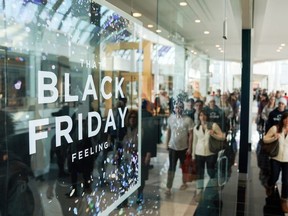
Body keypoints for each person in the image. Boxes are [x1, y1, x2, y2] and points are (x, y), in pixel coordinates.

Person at [192, 110, 225, 202]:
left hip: (210, 153)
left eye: (204, 115)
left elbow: (222, 137)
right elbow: (194, 142)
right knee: (200, 174)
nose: (203, 117)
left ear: (207, 116)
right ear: (199, 117)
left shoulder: (213, 125)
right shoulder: (196, 127)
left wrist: (213, 134)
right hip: (199, 153)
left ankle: (213, 191)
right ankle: (199, 192)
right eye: (201, 115)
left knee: (211, 172)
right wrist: (193, 155)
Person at [165, 100, 194, 196]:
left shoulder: (188, 120)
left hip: (184, 148)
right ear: (174, 108)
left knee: (184, 167)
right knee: (171, 167)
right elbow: (168, 131)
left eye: (180, 107)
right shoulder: (171, 119)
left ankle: (184, 183)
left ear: (183, 108)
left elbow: (191, 135)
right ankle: (168, 187)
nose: (178, 109)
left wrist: (190, 148)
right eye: (177, 107)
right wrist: (167, 143)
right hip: (173, 147)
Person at [263, 112, 288, 212]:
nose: (287, 121)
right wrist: (274, 137)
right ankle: (269, 185)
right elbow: (265, 139)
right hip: (276, 158)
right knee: (274, 176)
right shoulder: (275, 128)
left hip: (287, 160)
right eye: (286, 118)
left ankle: (284, 200)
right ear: (282, 119)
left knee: (286, 181)